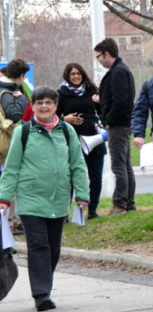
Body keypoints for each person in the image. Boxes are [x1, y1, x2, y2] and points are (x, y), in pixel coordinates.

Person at [0, 86, 89, 311]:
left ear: (56, 106)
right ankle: (42, 295)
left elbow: (78, 165)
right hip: (31, 199)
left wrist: (82, 194)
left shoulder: (67, 131)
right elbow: (11, 168)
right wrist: (4, 198)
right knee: (38, 246)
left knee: (53, 248)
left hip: (59, 199)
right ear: (34, 106)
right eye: (39, 102)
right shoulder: (24, 132)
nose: (44, 106)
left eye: (48, 102)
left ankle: (43, 284)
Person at [94, 38, 136, 215]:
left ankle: (120, 204)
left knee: (119, 165)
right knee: (125, 165)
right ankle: (129, 202)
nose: (99, 60)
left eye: (99, 57)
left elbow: (120, 101)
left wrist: (108, 119)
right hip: (123, 123)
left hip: (118, 124)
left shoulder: (117, 72)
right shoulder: (121, 70)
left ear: (107, 54)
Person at [57, 63, 104, 219]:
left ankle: (92, 209)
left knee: (96, 175)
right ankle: (65, 213)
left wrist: (99, 103)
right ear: (67, 76)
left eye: (78, 73)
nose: (76, 76)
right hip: (72, 138)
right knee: (69, 176)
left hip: (93, 138)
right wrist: (66, 119)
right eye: (72, 74)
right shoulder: (61, 93)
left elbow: (102, 113)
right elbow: (53, 117)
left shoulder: (92, 90)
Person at [0, 59, 33, 234]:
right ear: (21, 76)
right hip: (6, 143)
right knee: (11, 180)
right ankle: (13, 222)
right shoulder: (6, 92)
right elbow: (14, 114)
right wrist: (21, 100)